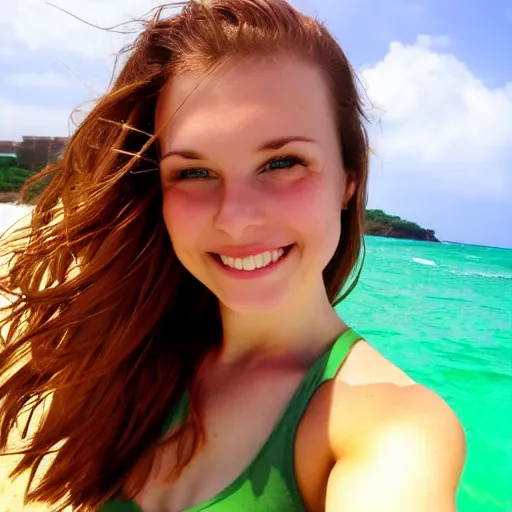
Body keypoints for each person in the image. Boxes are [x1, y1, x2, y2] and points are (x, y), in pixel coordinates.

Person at [0, 1, 466, 511]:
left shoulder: (391, 426)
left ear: (348, 181)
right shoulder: (129, 361)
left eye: (282, 162)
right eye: (194, 172)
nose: (235, 218)